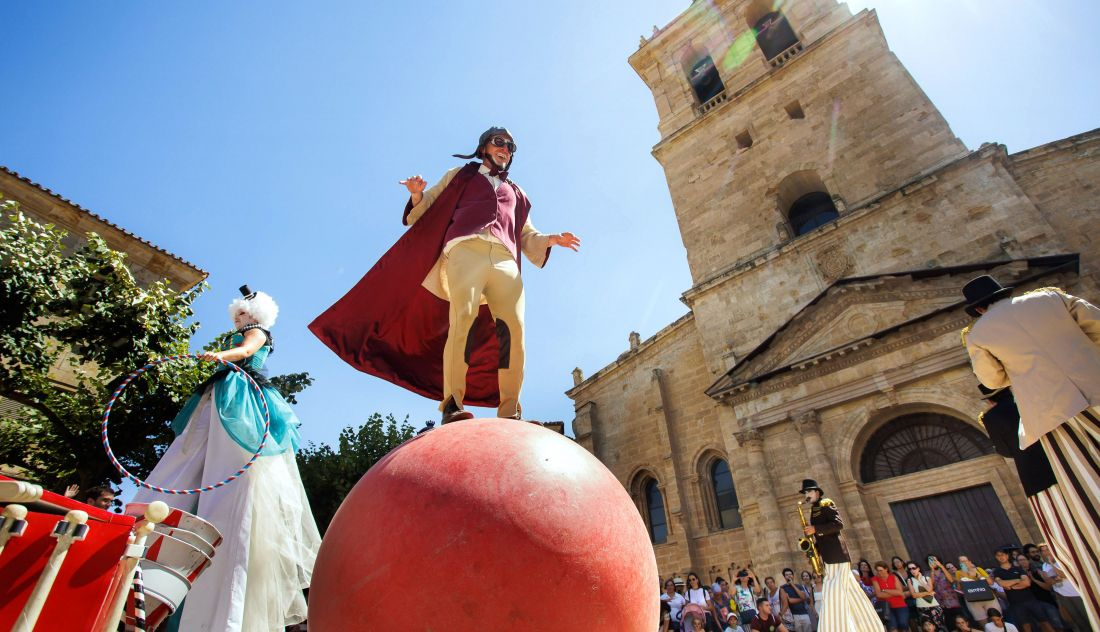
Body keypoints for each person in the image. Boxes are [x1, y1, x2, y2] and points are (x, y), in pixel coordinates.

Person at [310, 126, 580, 424]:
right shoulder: (460, 175)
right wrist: (416, 194)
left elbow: (527, 236)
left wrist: (551, 240)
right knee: (462, 319)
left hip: (505, 260)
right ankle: (452, 404)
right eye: (499, 142)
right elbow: (424, 209)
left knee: (513, 330)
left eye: (511, 147)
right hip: (465, 250)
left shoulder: (518, 193)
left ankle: (510, 411)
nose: (505, 149)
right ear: (484, 147)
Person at [133, 286, 321, 631]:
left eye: (244, 315)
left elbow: (248, 349)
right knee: (200, 447)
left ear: (258, 315)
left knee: (228, 452)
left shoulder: (257, 333)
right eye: (237, 315)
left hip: (240, 396)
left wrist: (222, 355)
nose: (239, 320)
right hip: (223, 393)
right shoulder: (244, 336)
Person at [962, 277, 1100, 626]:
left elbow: (991, 380)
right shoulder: (1051, 297)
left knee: (1084, 482)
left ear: (978, 307)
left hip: (1056, 413)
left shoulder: (979, 332)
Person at [798, 479, 881, 631]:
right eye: (805, 493)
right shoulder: (814, 509)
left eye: (809, 492)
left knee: (833, 592)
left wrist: (815, 529)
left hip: (837, 553)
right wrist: (814, 548)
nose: (807, 495)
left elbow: (838, 525)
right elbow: (821, 535)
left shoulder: (826, 503)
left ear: (817, 492)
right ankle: (866, 626)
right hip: (828, 556)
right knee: (850, 592)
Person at [991, 548, 1055, 632]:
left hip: (1030, 600)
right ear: (996, 557)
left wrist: (1012, 586)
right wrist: (1018, 580)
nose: (1001, 557)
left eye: (1002, 555)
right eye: (998, 555)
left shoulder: (1017, 568)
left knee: (1045, 622)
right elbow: (1002, 584)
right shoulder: (997, 571)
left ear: (1007, 556)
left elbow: (1027, 583)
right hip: (1016, 603)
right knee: (1026, 626)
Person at [1035, 544, 1089, 632]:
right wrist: (1049, 577)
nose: (1046, 552)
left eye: (1047, 549)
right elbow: (1049, 582)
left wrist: (1052, 563)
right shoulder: (1044, 565)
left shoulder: (1061, 560)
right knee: (1073, 620)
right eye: (1043, 551)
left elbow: (1063, 574)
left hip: (1074, 593)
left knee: (1085, 616)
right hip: (1061, 595)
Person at [1015, 552, 1064, 630]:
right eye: (1019, 560)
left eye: (1024, 559)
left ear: (1028, 560)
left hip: (1046, 601)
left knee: (1057, 625)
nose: (1022, 562)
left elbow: (1048, 587)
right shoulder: (1018, 575)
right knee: (1043, 627)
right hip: (1032, 604)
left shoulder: (1038, 571)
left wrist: (1034, 580)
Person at [958, 555, 998, 626]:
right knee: (984, 624)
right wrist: (962, 578)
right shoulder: (958, 573)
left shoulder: (978, 569)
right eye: (961, 561)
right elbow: (959, 588)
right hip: (973, 600)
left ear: (969, 561)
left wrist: (976, 575)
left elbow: (991, 582)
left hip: (987, 597)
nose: (963, 563)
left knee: (997, 619)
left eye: (964, 561)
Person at [908, 561, 946, 629]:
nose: (912, 570)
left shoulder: (926, 578)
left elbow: (929, 589)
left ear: (918, 568)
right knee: (927, 629)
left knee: (940, 628)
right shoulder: (910, 581)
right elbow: (914, 595)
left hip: (934, 606)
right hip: (922, 607)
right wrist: (928, 593)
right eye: (910, 569)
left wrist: (921, 581)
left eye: (913, 568)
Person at [875, 560, 911, 632]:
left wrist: (885, 590)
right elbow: (879, 595)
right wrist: (894, 592)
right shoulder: (875, 579)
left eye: (881, 570)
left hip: (900, 605)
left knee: (903, 625)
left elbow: (900, 592)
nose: (879, 572)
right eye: (877, 571)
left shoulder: (893, 577)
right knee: (892, 628)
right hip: (886, 607)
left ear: (886, 569)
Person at [929, 556, 965, 627]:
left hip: (953, 601)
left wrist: (941, 566)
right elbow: (932, 585)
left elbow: (951, 580)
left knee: (960, 621)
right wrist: (932, 570)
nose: (933, 562)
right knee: (950, 624)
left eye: (934, 560)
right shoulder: (928, 574)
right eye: (930, 561)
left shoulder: (945, 571)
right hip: (941, 603)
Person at [780, 568, 813, 632]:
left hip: (804, 613)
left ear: (793, 576)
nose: (789, 576)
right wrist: (801, 599)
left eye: (790, 574)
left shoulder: (799, 586)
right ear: (784, 577)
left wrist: (792, 585)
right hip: (794, 615)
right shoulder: (783, 588)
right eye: (787, 575)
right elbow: (789, 601)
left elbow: (803, 597)